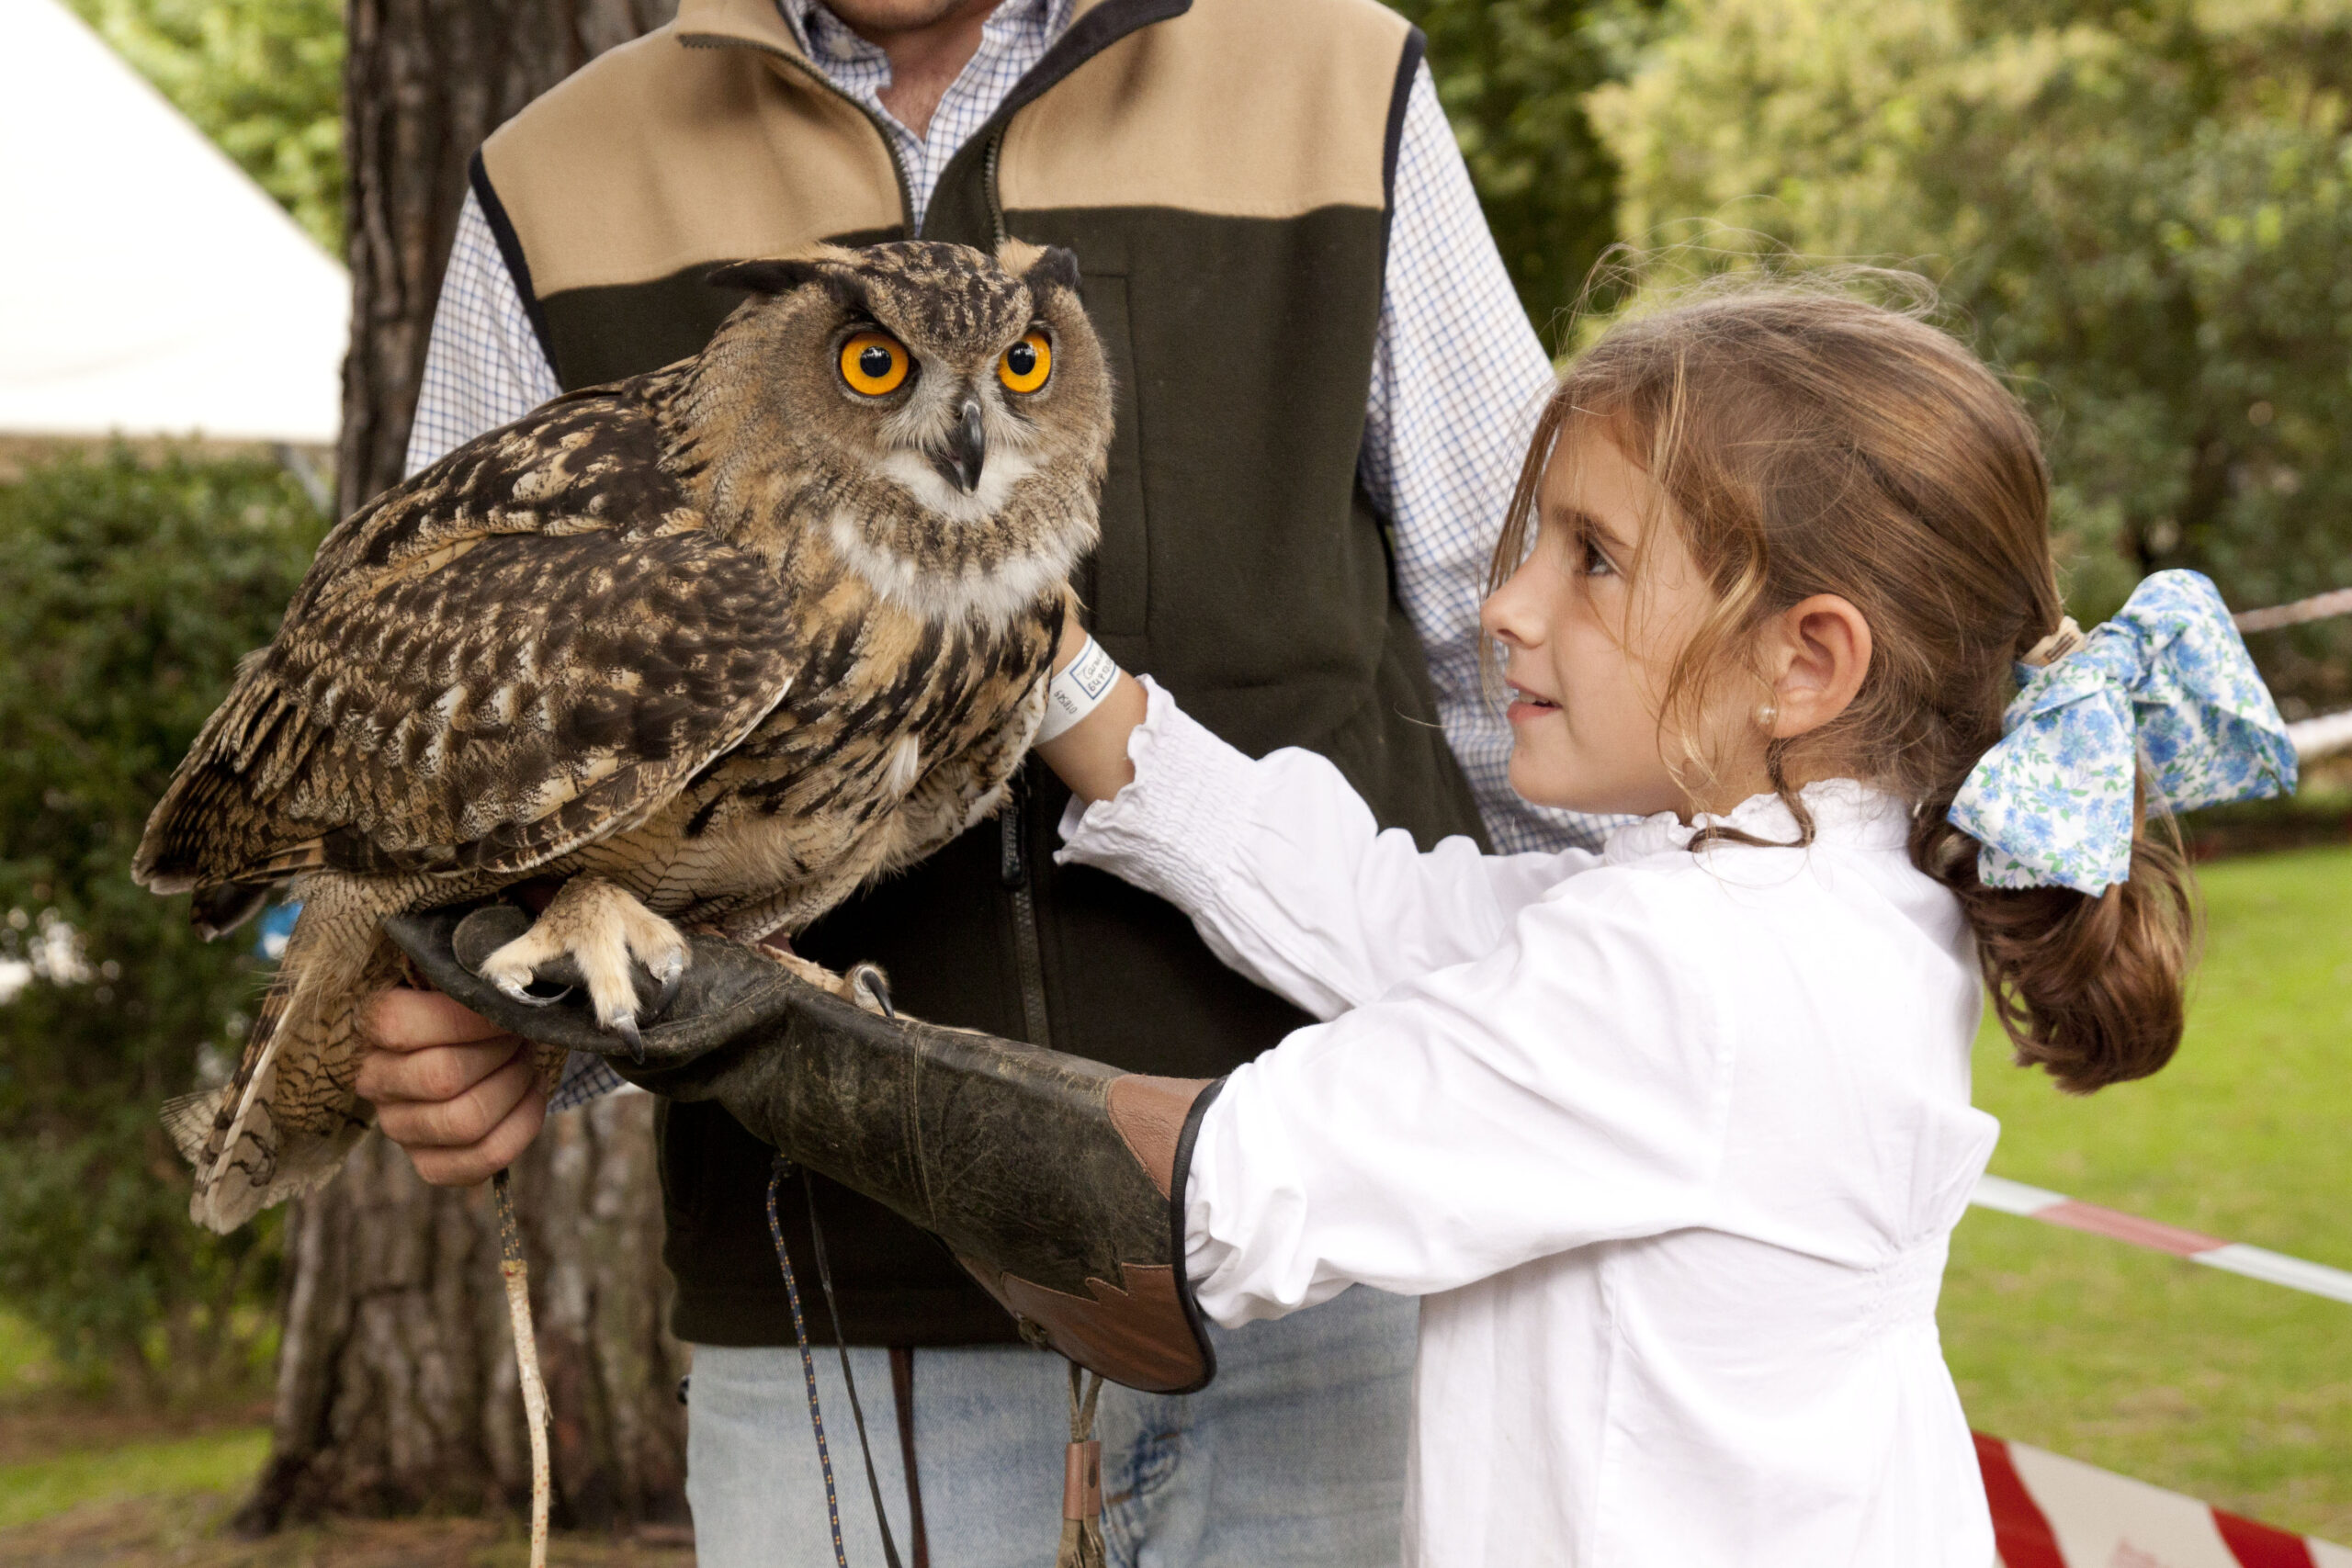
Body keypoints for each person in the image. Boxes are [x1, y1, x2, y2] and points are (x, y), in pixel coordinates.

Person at [386, 279, 2300, 1564]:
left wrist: (716, 1009)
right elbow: (1402, 925)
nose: (1505, 609)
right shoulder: (1807, 895)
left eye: (1590, 557)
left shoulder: (1698, 973)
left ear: (1804, 657)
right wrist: (1060, 674)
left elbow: (1183, 1189)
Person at [355, 0, 1609, 1563]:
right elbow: (463, 751)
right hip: (836, 1314)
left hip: (1334, 1274)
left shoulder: (1330, 80)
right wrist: (501, 1013)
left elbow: (1537, 648)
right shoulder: (565, 175)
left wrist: (1643, 1044)